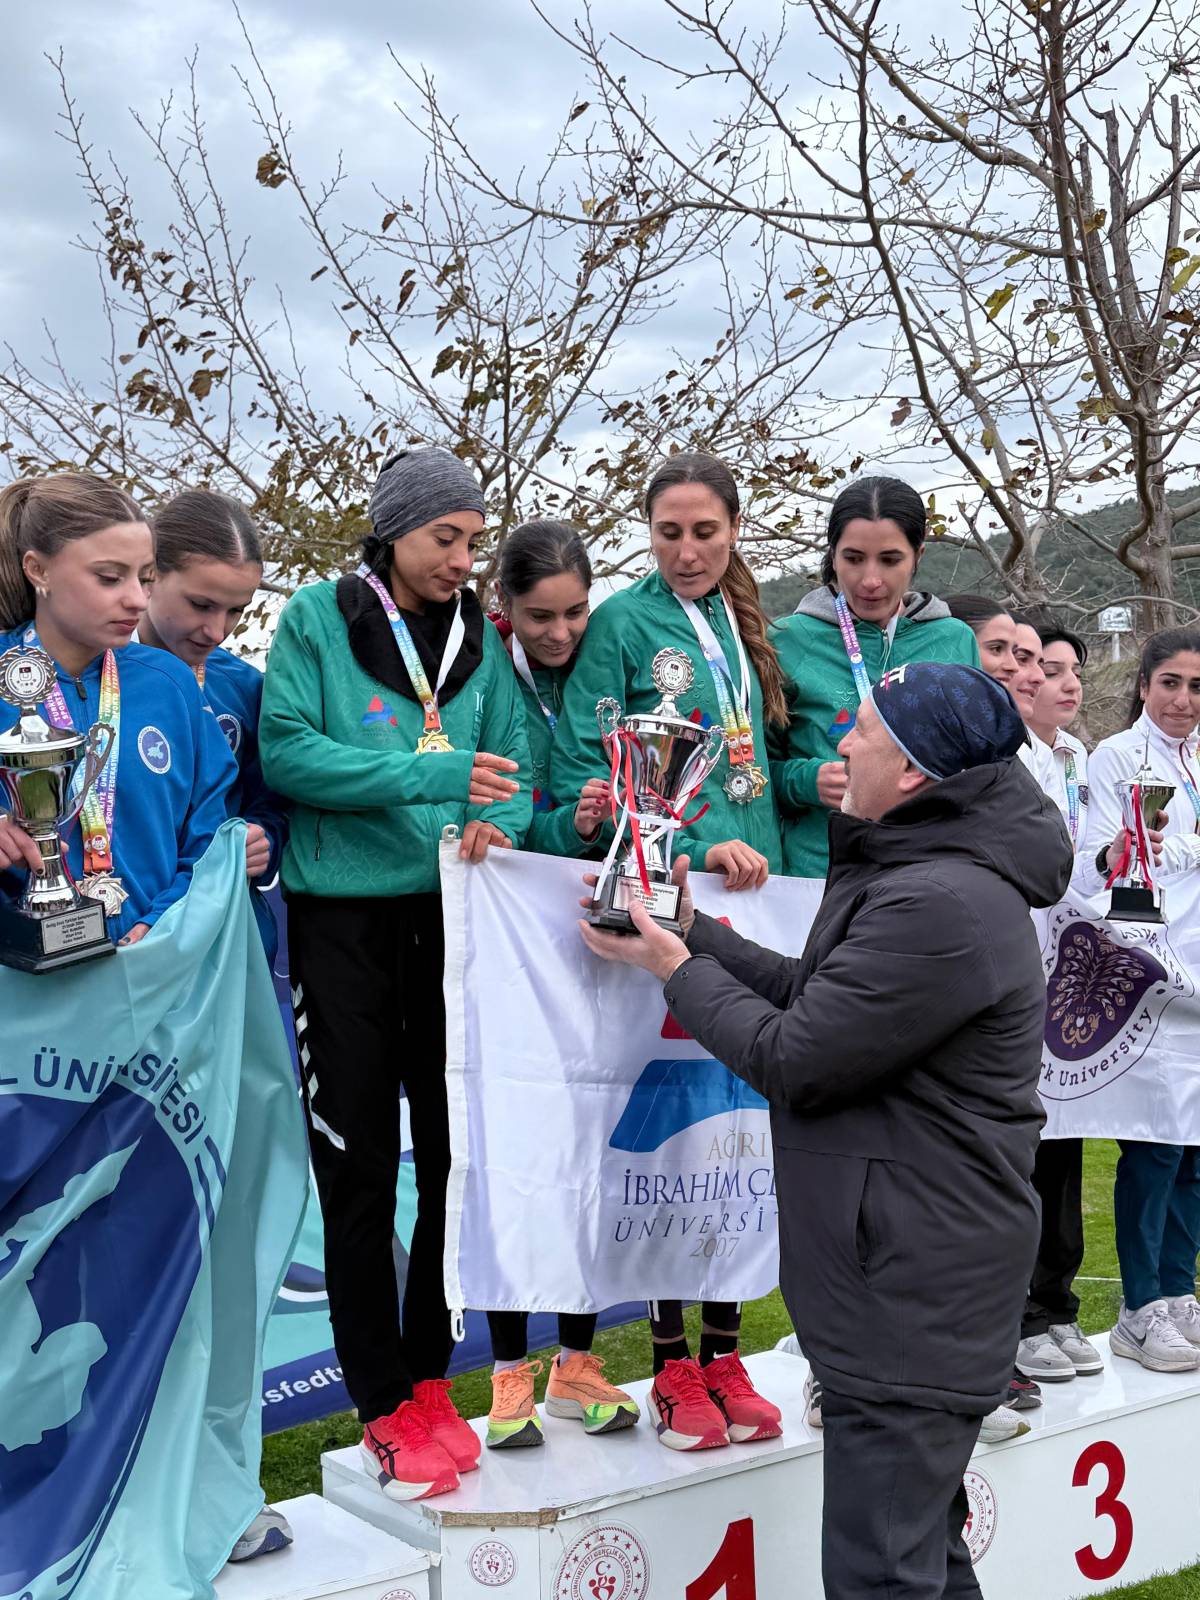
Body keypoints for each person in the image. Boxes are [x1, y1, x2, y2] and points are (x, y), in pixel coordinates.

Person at [580, 661, 1074, 1600]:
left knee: (880, 1574)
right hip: (913, 1274)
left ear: (918, 774)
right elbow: (830, 1004)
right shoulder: (933, 872)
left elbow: (798, 1057)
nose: (843, 745)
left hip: (912, 1286)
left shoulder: (943, 901)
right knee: (923, 1555)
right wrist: (700, 935)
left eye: (867, 734)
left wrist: (676, 969)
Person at [259, 448, 533, 1500]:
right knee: (364, 1164)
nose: (462, 560)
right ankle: (376, 1400)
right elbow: (289, 753)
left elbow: (510, 763)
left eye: (473, 540)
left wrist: (493, 823)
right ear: (392, 534)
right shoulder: (318, 621)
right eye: (443, 539)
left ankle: (427, 1379)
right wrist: (428, 774)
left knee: (456, 1158)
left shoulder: (480, 643)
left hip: (453, 924)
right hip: (346, 926)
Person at [552, 450, 785, 1451]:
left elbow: (759, 762)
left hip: (758, 903)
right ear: (645, 534)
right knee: (666, 1135)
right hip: (669, 900)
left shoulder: (746, 620)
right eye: (668, 532)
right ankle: (671, 1366)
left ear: (735, 530)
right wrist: (685, 847)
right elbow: (591, 772)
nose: (687, 551)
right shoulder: (619, 625)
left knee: (736, 1136)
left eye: (705, 532)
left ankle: (726, 1351)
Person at [482, 519, 638, 1447]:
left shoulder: (597, 669)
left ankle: (577, 1360)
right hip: (504, 941)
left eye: (577, 611)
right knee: (514, 1152)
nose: (561, 632)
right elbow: (492, 805)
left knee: (588, 1148)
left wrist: (586, 820)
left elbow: (596, 803)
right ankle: (507, 1372)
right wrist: (547, 823)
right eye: (540, 615)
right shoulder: (480, 674)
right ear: (504, 606)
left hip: (582, 938)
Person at [0, 472, 235, 945]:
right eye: (109, 578)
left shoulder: (169, 683)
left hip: (156, 965)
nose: (136, 599)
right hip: (23, 986)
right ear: (38, 570)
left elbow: (216, 830)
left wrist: (168, 918)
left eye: (145, 578)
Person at [1076, 627, 1200, 1375]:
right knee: (1152, 1144)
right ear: (1145, 685)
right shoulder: (1120, 756)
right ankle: (1138, 1305)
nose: (1184, 700)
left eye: (1197, 687)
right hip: (1155, 969)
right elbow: (1107, 862)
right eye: (1172, 684)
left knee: (1194, 1150)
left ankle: (1181, 1291)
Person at [945, 595, 1048, 1415]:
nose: (1018, 666)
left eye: (1026, 654)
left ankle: (983, 1357)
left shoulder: (1001, 772)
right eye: (1000, 650)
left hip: (986, 996)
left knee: (974, 1176)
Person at [769, 477, 978, 878]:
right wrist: (805, 781)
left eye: (889, 559)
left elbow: (975, 767)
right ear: (832, 556)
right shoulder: (787, 641)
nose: (870, 580)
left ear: (917, 555)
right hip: (819, 872)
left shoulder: (954, 641)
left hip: (927, 867)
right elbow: (754, 768)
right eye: (853, 558)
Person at [1008, 618, 1103, 1390]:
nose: (1061, 682)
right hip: (1014, 966)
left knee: (1065, 1141)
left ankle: (1056, 1299)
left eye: (1070, 669)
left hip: (1067, 963)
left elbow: (1087, 862)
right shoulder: (1004, 754)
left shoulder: (1074, 757)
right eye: (1045, 665)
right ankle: (1020, 1317)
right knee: (1021, 1148)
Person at [138, 489, 288, 971]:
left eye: (235, 610)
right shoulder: (84, 678)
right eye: (200, 604)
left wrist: (263, 836)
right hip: (124, 930)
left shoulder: (245, 688)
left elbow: (272, 801)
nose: (217, 630)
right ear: (151, 574)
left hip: (221, 942)